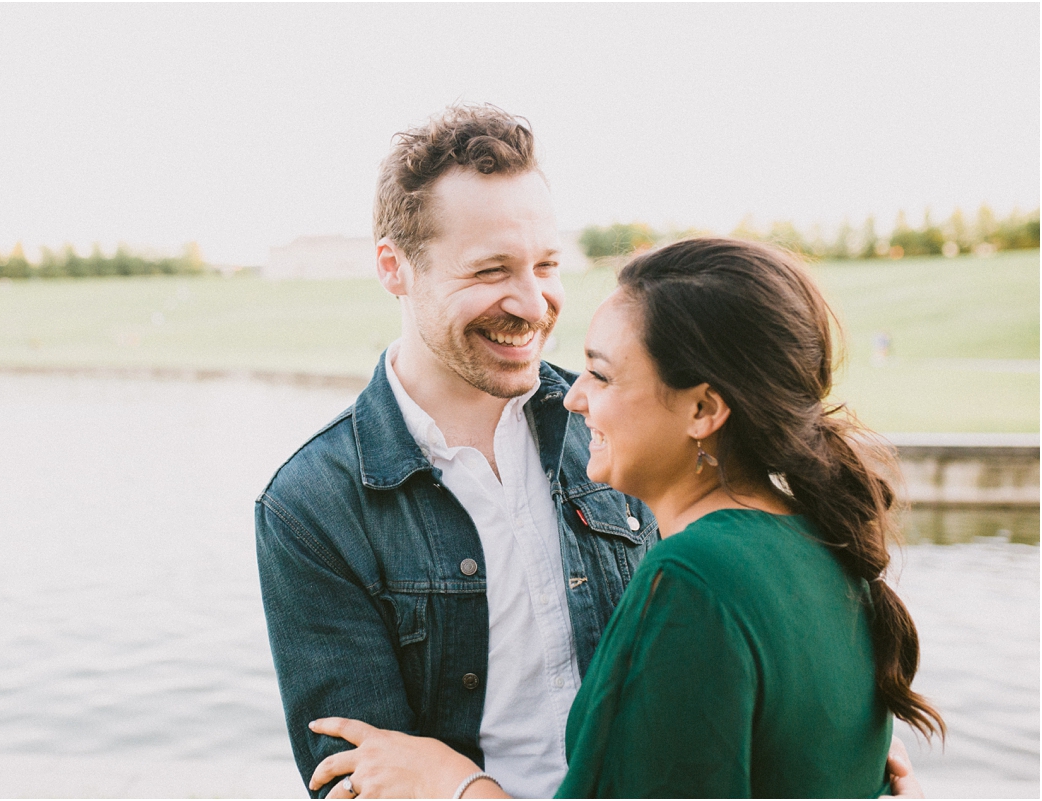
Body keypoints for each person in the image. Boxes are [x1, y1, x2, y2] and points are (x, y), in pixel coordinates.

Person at [306, 238, 942, 798]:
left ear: (703, 411)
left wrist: (450, 784)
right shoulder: (819, 540)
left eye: (603, 375)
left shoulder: (694, 578)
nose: (575, 396)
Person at [255, 104, 657, 799]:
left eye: (547, 264)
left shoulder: (623, 423)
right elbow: (354, 785)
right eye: (491, 270)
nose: (534, 304)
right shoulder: (310, 505)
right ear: (394, 267)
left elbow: (724, 627)